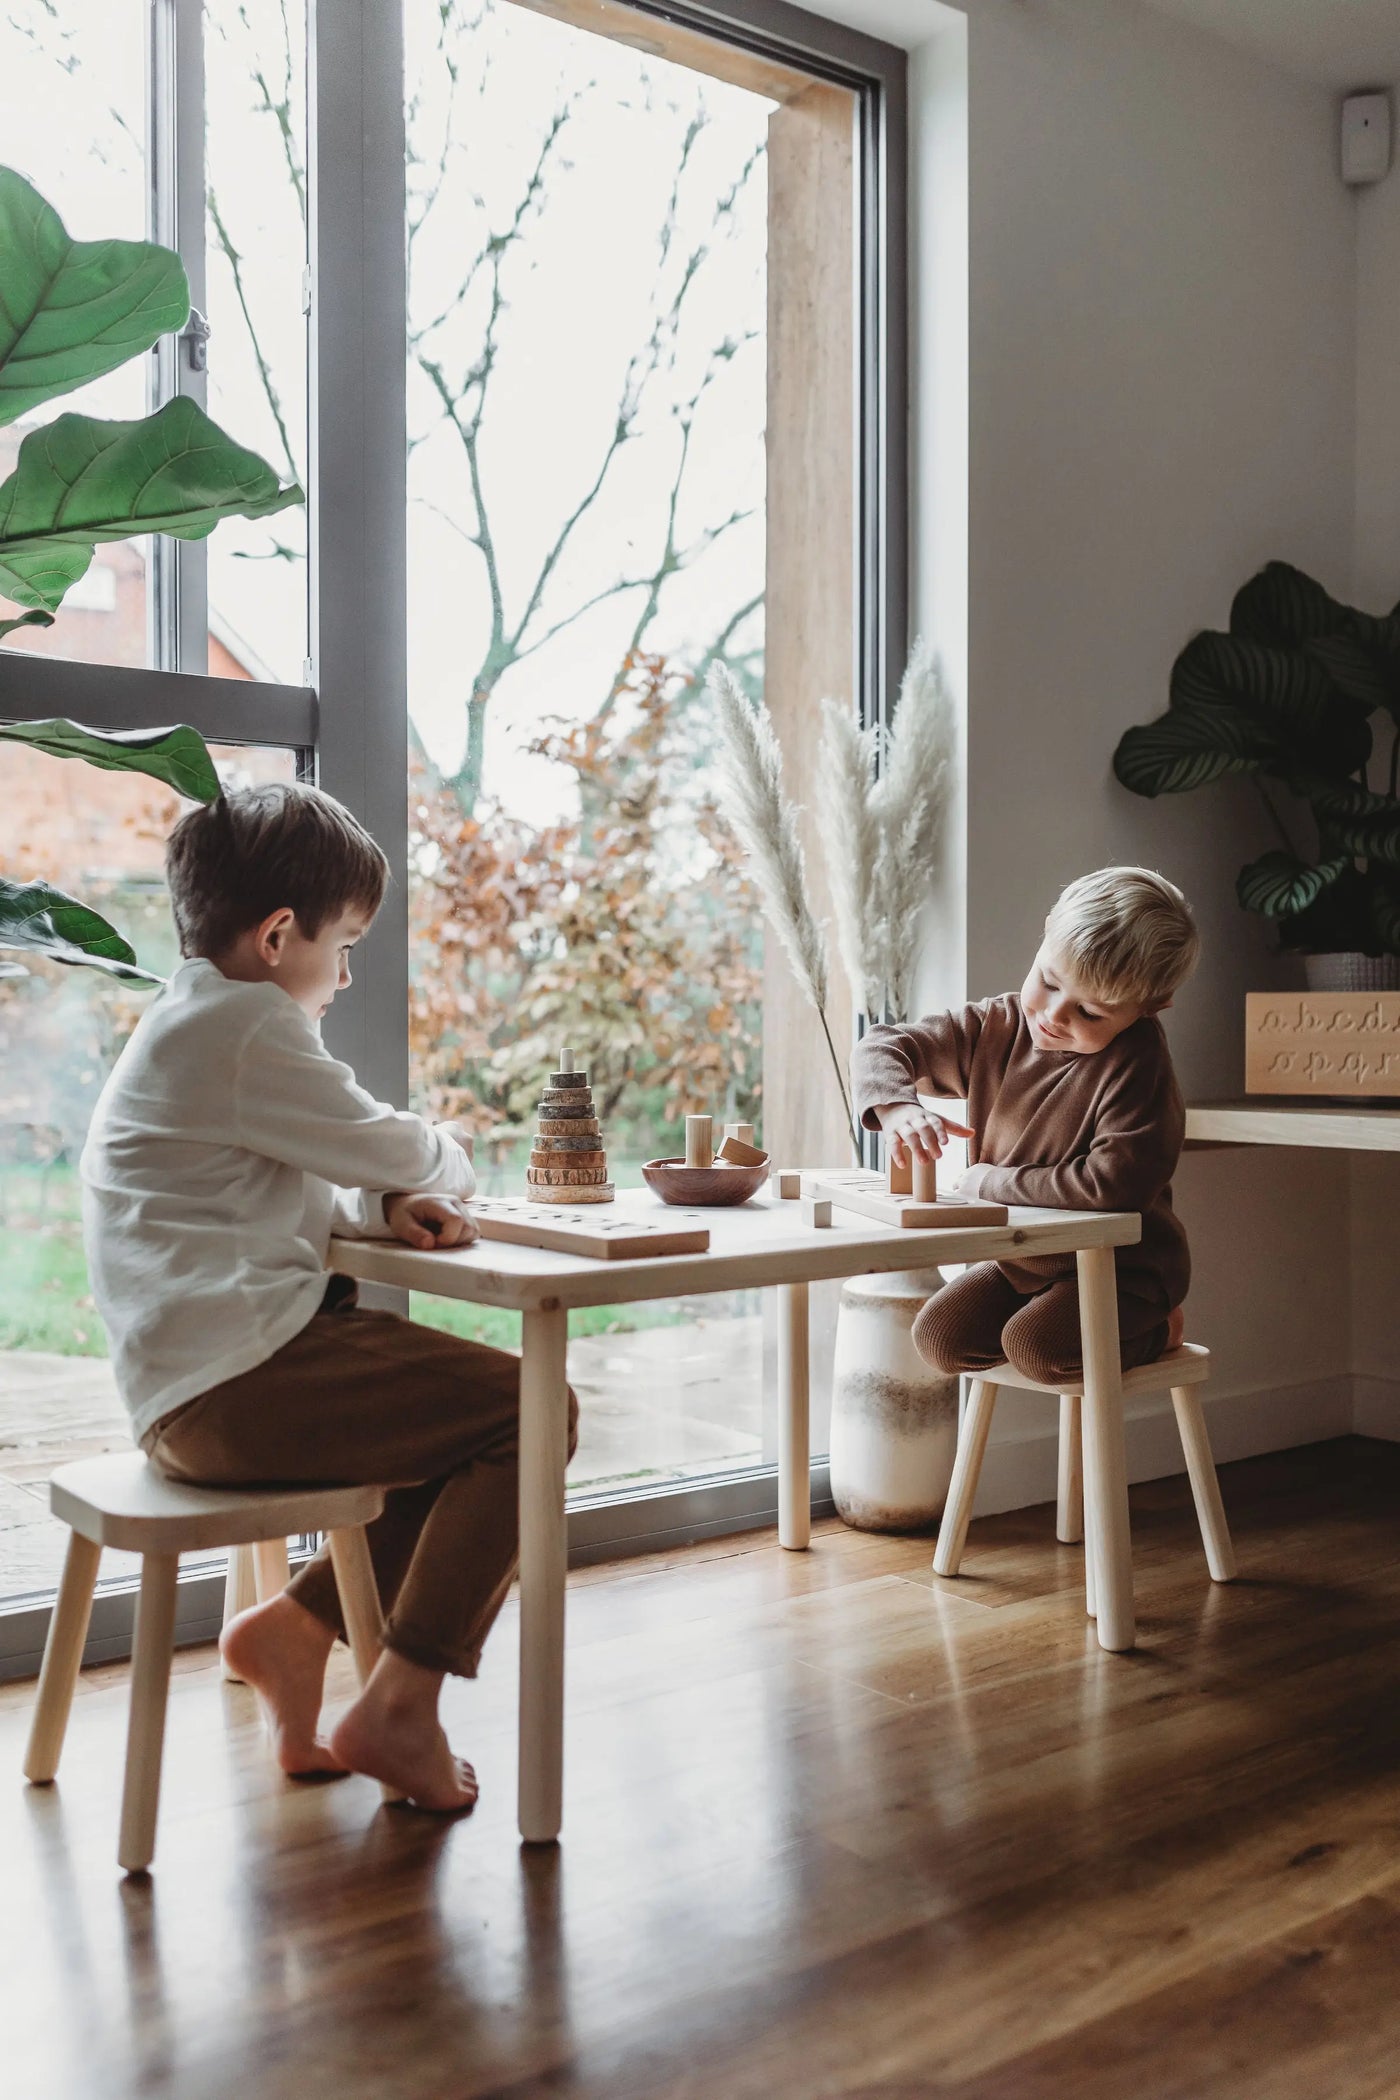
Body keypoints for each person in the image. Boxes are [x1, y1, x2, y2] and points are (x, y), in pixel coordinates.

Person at [81, 781, 575, 1812]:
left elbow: (286, 1177)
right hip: (239, 1383)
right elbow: (395, 1142)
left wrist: (378, 1208)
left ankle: (298, 1631)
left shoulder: (192, 1020)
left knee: (456, 1421)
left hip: (191, 1390)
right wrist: (439, 1162)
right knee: (535, 1412)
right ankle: (398, 1705)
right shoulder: (251, 1028)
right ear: (275, 937)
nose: (347, 974)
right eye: (343, 945)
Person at [851, 867, 1200, 1383]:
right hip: (1024, 1259)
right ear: (1044, 936)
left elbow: (1113, 1185)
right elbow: (883, 1045)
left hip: (1122, 1271)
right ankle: (1047, 1317)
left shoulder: (1139, 1064)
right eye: (1049, 982)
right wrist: (898, 1106)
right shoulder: (996, 1026)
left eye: (1089, 1012)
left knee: (1035, 1349)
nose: (1055, 1015)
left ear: (1149, 1009)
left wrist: (988, 1182)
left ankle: (1155, 1330)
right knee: (940, 1338)